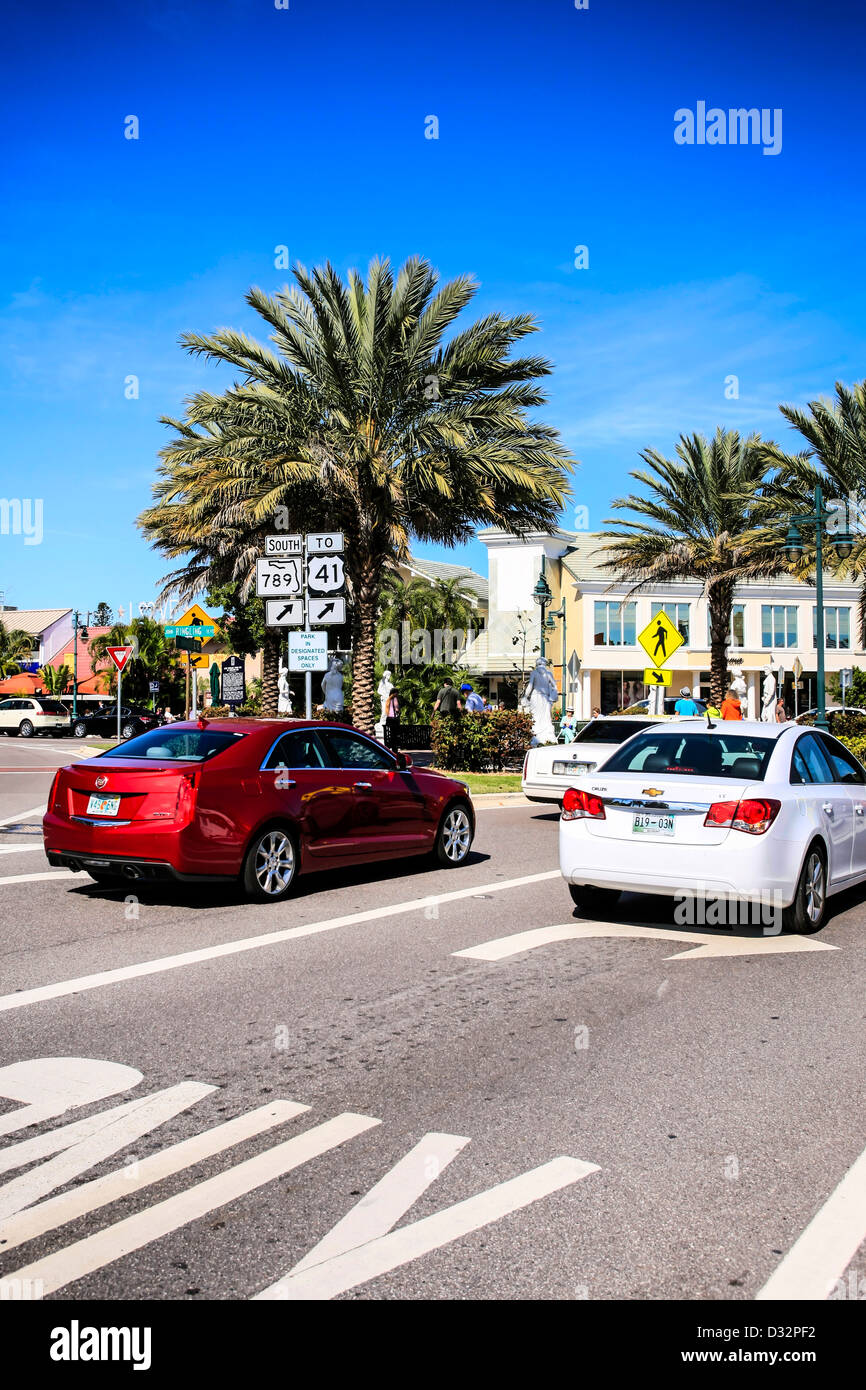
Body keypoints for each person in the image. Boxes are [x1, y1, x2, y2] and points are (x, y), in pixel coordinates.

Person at [384, 687, 401, 751]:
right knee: (395, 734)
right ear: (395, 693)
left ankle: (390, 747)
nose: (398, 694)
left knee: (391, 734)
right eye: (397, 693)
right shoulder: (395, 699)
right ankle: (394, 748)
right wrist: (399, 711)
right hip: (394, 719)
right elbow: (396, 709)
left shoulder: (388, 700)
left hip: (388, 719)